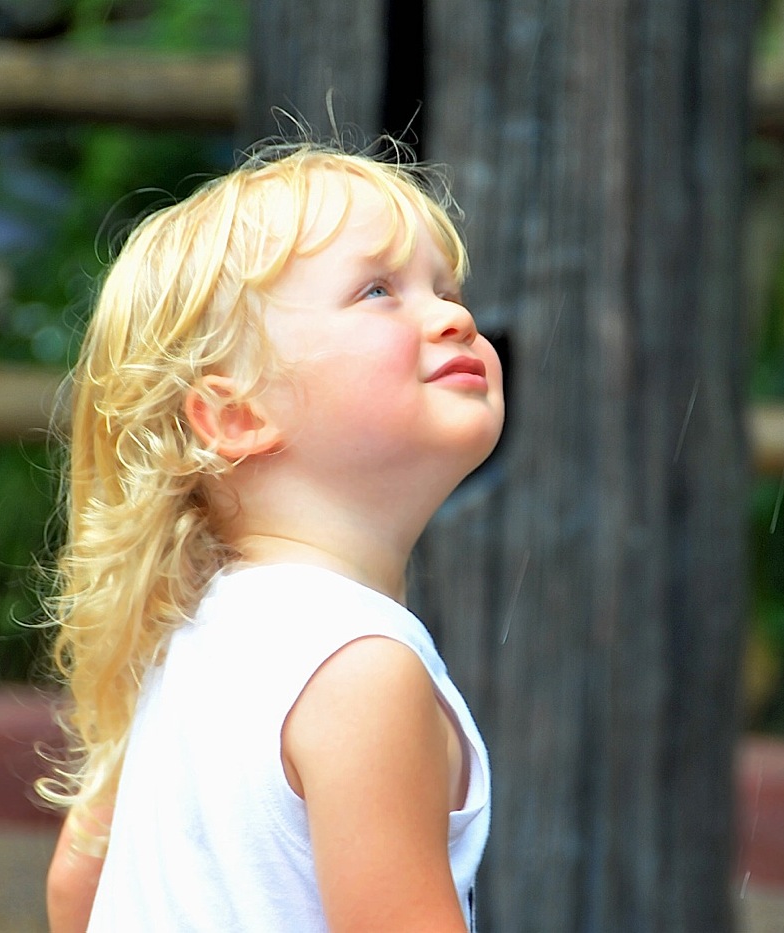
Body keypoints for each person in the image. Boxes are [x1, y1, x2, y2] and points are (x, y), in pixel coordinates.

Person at [40, 140, 505, 932]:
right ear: (236, 415)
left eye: (446, 287)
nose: (454, 314)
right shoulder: (359, 668)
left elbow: (74, 888)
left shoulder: (184, 638)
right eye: (378, 290)